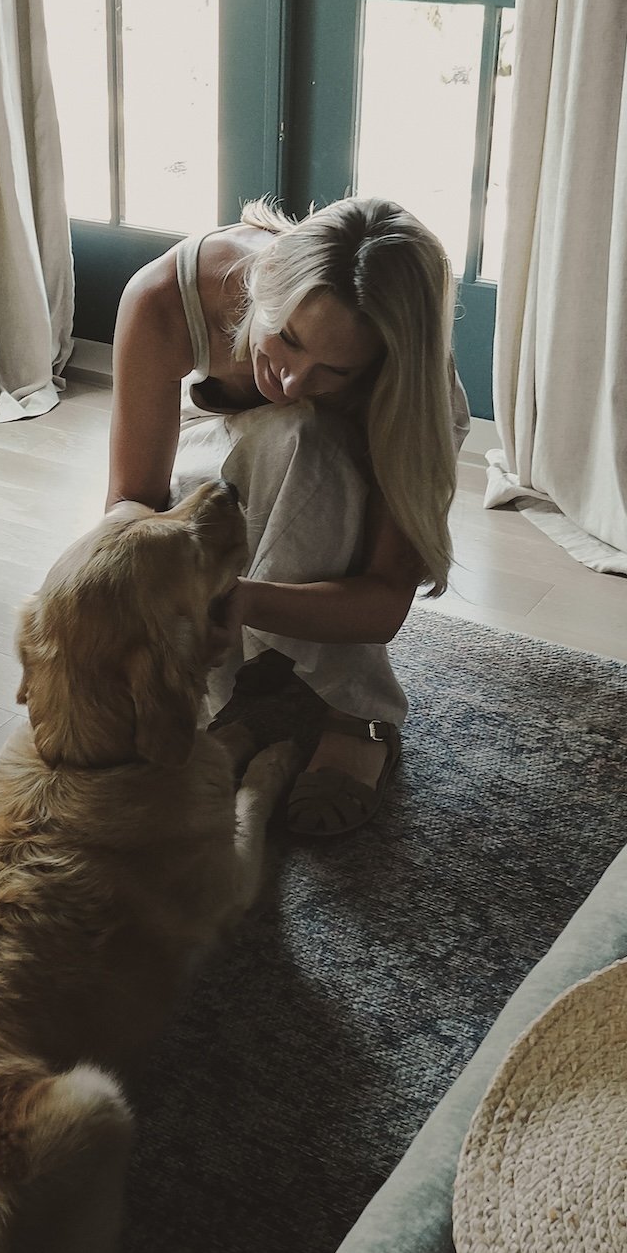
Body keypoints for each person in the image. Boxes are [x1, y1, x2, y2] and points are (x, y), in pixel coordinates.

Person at [105, 196, 469, 837]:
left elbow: (384, 602)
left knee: (307, 438)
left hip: (345, 461)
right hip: (212, 448)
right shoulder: (168, 295)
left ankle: (356, 715)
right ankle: (244, 696)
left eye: (335, 369)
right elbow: (132, 499)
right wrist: (138, 586)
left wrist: (241, 601)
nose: (295, 378)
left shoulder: (413, 389)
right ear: (263, 286)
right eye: (288, 340)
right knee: (289, 435)